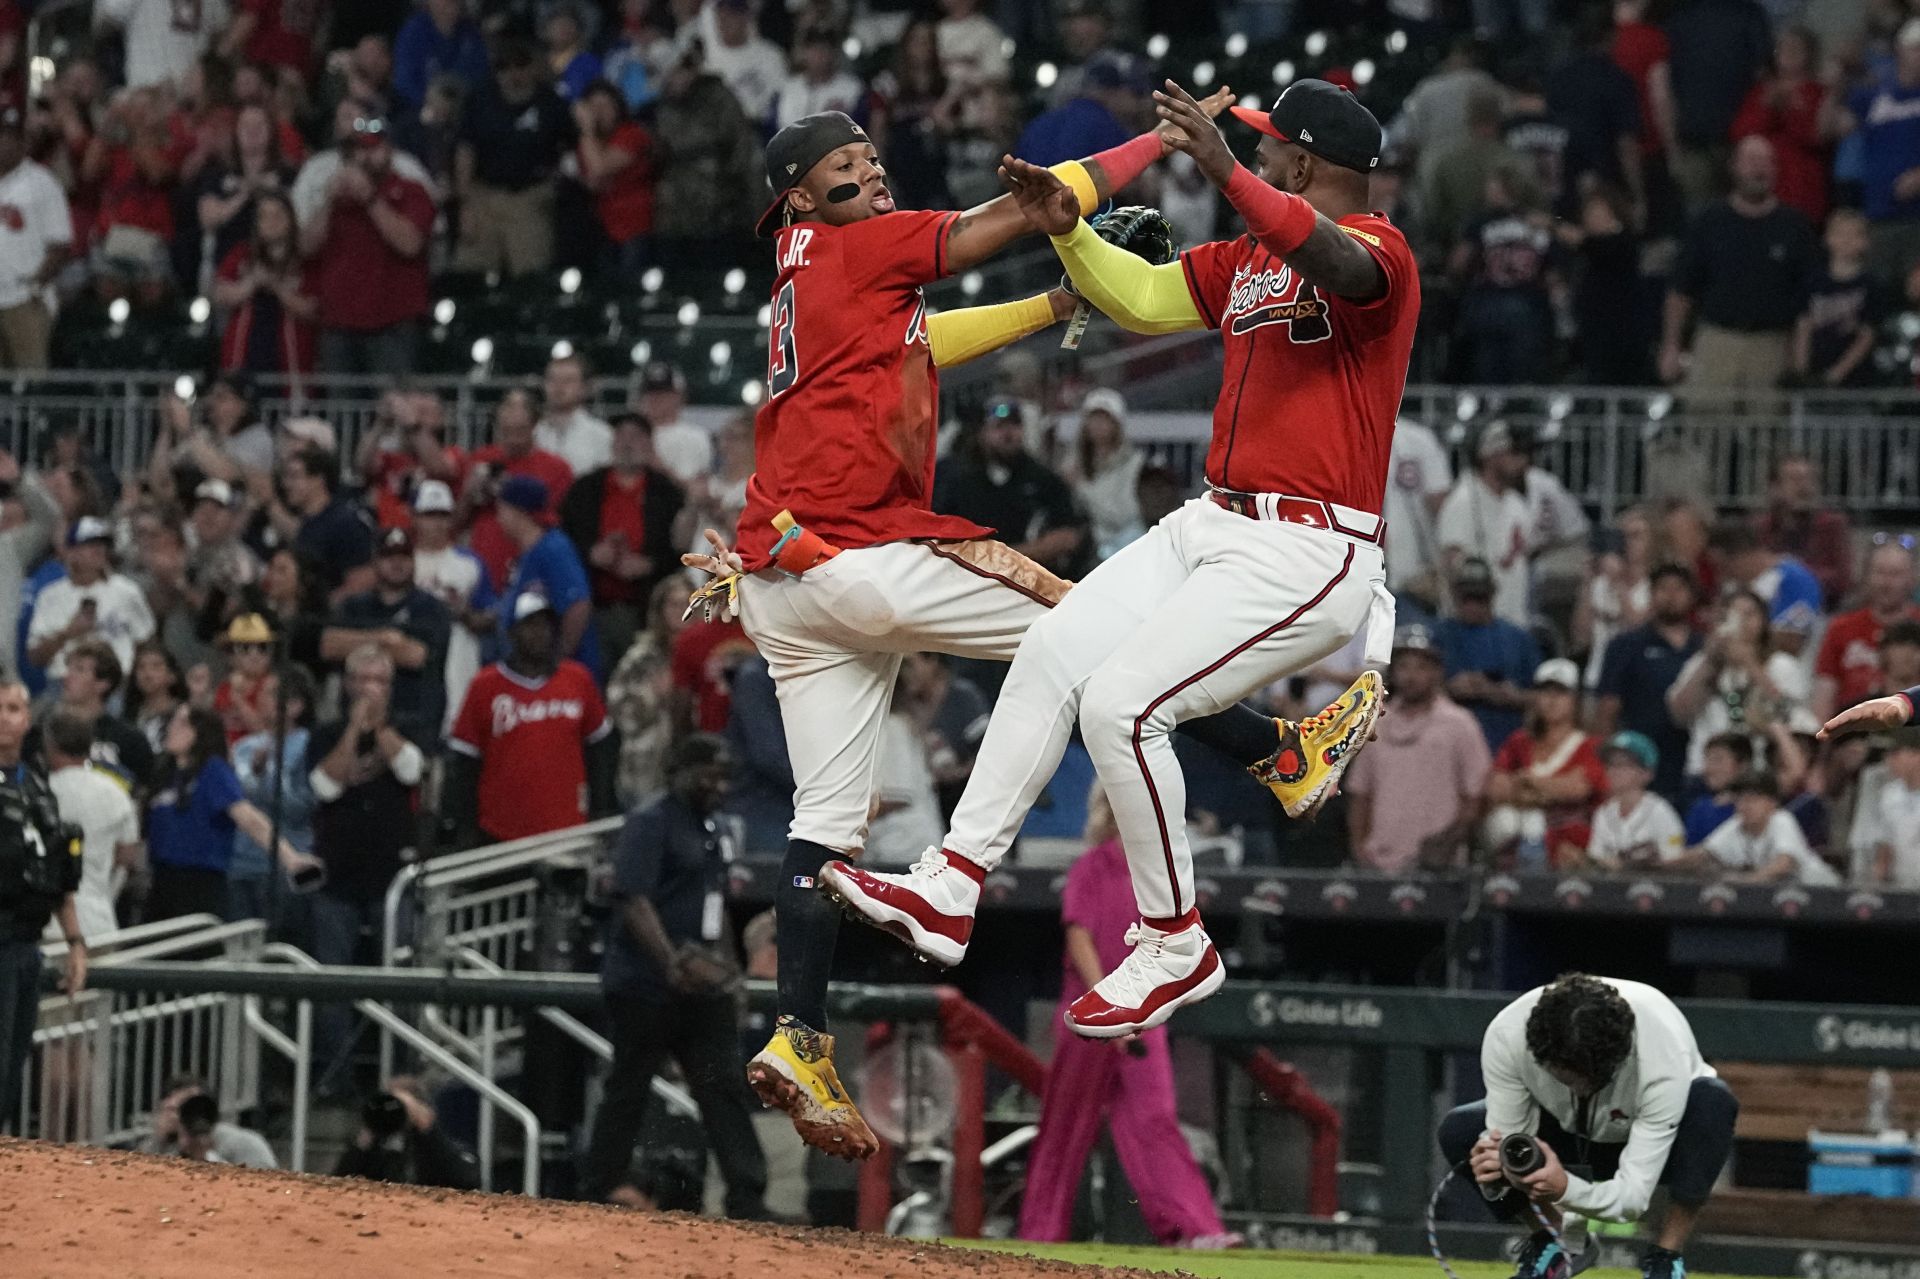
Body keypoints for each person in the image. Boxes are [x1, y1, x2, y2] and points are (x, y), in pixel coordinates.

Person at [681, 103, 1319, 1158]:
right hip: (858, 559)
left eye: (872, 157)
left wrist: (1059, 300)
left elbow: (931, 336)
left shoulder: (809, 275)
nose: (870, 173)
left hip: (778, 587)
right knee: (1093, 621)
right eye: (845, 165)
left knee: (825, 828)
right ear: (797, 195)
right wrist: (1150, 149)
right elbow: (1023, 211)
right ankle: (1275, 751)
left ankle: (797, 1032)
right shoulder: (858, 243)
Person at [826, 80, 1412, 1043]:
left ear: (1305, 165)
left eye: (1268, 146)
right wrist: (1069, 233)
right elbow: (1140, 298)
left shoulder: (1382, 251)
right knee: (1055, 646)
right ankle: (951, 880)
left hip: (1310, 546)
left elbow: (1337, 261)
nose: (1255, 150)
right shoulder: (1251, 254)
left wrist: (1222, 170)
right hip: (1215, 521)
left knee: (1122, 705)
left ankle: (1177, 940)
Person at [1017, 795, 1235, 1247]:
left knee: (1156, 1119)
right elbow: (1080, 937)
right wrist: (1110, 1004)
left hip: (1146, 1019)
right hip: (1089, 1016)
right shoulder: (1091, 868)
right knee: (1066, 1126)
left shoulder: (1163, 877)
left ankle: (1194, 1229)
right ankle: (1040, 1232)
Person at [1436, 974, 1738, 1279]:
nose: (1581, 1091)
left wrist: (1566, 1188)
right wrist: (1497, 1178)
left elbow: (1632, 1200)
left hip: (1657, 1144)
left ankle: (1666, 1258)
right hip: (1562, 1137)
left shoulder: (1662, 1055)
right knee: (1462, 1132)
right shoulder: (1507, 1035)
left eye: (1592, 1079)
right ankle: (1556, 1243)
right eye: (1566, 1077)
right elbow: (1513, 1146)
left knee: (1713, 1103)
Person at [582, 734, 770, 1215]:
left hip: (699, 989)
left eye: (724, 775)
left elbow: (715, 905)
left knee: (723, 1085)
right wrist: (669, 963)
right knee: (629, 1086)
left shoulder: (711, 829)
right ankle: (598, 1188)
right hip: (645, 985)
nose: (718, 784)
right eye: (708, 774)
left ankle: (747, 1195)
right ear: (679, 773)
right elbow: (633, 900)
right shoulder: (651, 822)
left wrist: (730, 974)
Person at [307, 644, 425, 1074]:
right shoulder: (326, 733)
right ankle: (333, 1076)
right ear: (348, 684)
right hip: (337, 875)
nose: (372, 691)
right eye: (364, 681)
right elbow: (325, 786)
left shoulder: (407, 726)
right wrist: (354, 729)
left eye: (381, 682)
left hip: (392, 878)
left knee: (400, 978)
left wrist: (381, 730)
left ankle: (400, 1073)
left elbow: (412, 771)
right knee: (333, 984)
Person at [446, 594, 613, 847]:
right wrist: (467, 830)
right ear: (512, 632)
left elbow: (599, 751)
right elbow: (465, 764)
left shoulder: (578, 679)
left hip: (569, 828)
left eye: (546, 625)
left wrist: (599, 812)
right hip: (502, 832)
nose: (541, 633)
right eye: (530, 625)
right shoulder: (485, 685)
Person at [1658, 137, 1818, 392]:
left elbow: (1806, 301)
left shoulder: (1794, 226)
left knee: (1768, 427)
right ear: (1733, 167)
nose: (1760, 169)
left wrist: (1798, 358)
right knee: (1707, 425)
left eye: (1767, 162)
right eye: (1752, 161)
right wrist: (1671, 345)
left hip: (1772, 344)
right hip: (1717, 340)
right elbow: (1680, 290)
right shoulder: (1708, 222)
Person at [0, 678, 84, 1132]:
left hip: (25, 944)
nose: (5, 718)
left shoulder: (35, 785)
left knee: (9, 1077)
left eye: (14, 708)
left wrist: (75, 942)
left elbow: (55, 873)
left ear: (28, 718)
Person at [145, 703, 318, 921]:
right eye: (172, 722)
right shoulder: (165, 774)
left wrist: (289, 857)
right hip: (161, 879)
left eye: (181, 723)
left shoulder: (213, 770)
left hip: (199, 881)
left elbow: (248, 817)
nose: (171, 728)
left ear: (200, 732)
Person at [1344, 624, 1492, 874]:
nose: (1411, 676)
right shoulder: (1375, 723)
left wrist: (1450, 840)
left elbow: (1478, 795)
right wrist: (1359, 847)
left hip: (1440, 866)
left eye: (1421, 667)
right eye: (1404, 666)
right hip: (1380, 864)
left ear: (1437, 672)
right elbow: (1360, 793)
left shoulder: (1460, 724)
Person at [302, 114, 435, 376]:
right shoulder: (336, 199)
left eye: (372, 148)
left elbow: (410, 244)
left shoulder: (411, 191)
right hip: (339, 322)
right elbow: (306, 247)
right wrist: (327, 203)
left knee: (394, 406)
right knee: (342, 412)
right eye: (358, 149)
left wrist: (371, 199)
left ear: (389, 150)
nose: (364, 156)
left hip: (392, 322)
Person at [559, 412, 684, 664]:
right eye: (621, 436)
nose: (627, 443)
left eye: (636, 437)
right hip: (593, 605)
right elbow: (564, 535)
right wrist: (591, 553)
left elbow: (682, 548)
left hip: (646, 609)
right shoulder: (585, 489)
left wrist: (649, 565)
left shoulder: (667, 493)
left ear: (649, 444)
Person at [453, 39, 572, 277]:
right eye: (504, 67)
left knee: (531, 280)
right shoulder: (480, 99)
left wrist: (556, 182)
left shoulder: (550, 103)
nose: (513, 73)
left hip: (530, 197)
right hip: (484, 197)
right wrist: (465, 205)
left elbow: (570, 146)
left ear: (531, 68)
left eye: (520, 65)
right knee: (471, 278)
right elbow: (465, 150)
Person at [934, 398, 1090, 579]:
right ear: (983, 433)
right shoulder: (959, 480)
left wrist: (1005, 558)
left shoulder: (1041, 478)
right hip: (974, 581)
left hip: (1033, 581)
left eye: (1014, 426)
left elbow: (1068, 537)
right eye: (999, 427)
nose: (1008, 434)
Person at [1667, 590, 1814, 782]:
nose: (1739, 622)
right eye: (1731, 614)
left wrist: (1750, 664)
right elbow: (1679, 714)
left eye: (1748, 614)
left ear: (1763, 622)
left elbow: (1786, 713)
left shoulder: (1781, 665)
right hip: (1704, 771)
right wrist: (1710, 663)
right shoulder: (1699, 663)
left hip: (1756, 773)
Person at [321, 527, 452, 737]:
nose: (397, 563)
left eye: (404, 556)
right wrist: (383, 639)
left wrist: (356, 644)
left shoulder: (431, 608)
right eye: (389, 556)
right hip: (355, 725)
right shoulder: (354, 606)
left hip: (415, 724)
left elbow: (416, 656)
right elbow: (329, 646)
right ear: (375, 561)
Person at [1483, 659, 1607, 869]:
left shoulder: (1591, 745)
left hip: (1567, 851)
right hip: (1514, 848)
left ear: (1575, 699)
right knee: (1503, 821)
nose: (1551, 700)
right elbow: (1496, 788)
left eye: (1561, 693)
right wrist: (1547, 790)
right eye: (1545, 692)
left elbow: (1576, 789)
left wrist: (1525, 781)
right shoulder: (1519, 741)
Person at [1594, 564, 1702, 804]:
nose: (1671, 595)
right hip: (1643, 759)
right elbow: (1607, 710)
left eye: (1679, 588)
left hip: (1694, 760)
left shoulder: (1704, 648)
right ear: (1651, 595)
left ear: (1692, 596)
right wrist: (1608, 769)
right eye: (1663, 588)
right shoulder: (1625, 645)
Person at [40, 709, 141, 944]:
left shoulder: (41, 792)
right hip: (99, 922)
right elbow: (127, 855)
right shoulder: (116, 792)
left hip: (48, 923)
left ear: (50, 744)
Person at [461, 390, 574, 593]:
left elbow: (556, 524)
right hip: (486, 565)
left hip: (532, 568)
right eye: (506, 430)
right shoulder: (482, 459)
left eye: (520, 430)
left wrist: (511, 491)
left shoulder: (556, 468)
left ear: (534, 425)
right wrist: (469, 493)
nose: (513, 438)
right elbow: (457, 521)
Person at [228, 666, 314, 924]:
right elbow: (236, 799)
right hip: (240, 863)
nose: (261, 699)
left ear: (295, 705)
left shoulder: (308, 746)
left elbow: (300, 808)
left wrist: (265, 775)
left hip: (284, 865)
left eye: (270, 693)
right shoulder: (243, 748)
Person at [493, 475, 601, 681]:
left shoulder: (553, 549)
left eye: (502, 509)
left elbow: (578, 605)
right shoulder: (530, 552)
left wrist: (557, 660)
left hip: (561, 680)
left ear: (519, 512)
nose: (499, 518)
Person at [408, 481, 494, 733]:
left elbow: (488, 616)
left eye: (442, 515)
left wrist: (466, 614)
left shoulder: (469, 563)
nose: (436, 523)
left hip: (459, 653)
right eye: (428, 515)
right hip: (415, 649)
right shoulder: (402, 560)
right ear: (414, 517)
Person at [27, 517, 157, 681]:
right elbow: (35, 657)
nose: (99, 550)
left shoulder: (126, 591)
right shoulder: (50, 596)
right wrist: (67, 633)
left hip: (117, 683)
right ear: (71, 551)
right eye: (89, 544)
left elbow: (147, 643)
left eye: (102, 544)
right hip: (65, 682)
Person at [1438, 421, 1535, 628]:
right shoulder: (1462, 502)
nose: (1523, 461)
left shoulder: (1517, 503)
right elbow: (1451, 564)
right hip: (1472, 627)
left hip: (1514, 621)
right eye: (1515, 454)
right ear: (1491, 455)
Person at [1438, 558, 1541, 752]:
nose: (1472, 606)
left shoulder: (1518, 638)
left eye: (1479, 599)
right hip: (1447, 744)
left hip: (1504, 740)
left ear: (1492, 594)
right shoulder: (1438, 636)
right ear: (1455, 594)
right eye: (1466, 598)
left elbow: (1543, 696)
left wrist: (1509, 695)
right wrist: (1448, 689)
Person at [0, 105, 74, 371]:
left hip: (25, 299)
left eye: (7, 136)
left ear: (21, 141)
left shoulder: (42, 183)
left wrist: (35, 286)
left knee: (32, 380)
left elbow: (60, 244)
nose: (1, 142)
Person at [30, 638, 154, 791]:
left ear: (103, 683)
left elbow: (141, 791)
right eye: (69, 668)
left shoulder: (130, 740)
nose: (67, 676)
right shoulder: (43, 730)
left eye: (79, 669)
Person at [1814, 542, 1920, 720]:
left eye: (1895, 574)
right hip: (1852, 731)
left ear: (1912, 578)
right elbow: (1824, 694)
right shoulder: (1840, 629)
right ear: (1867, 576)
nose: (1886, 583)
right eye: (1880, 573)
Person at [1793, 210, 1886, 392]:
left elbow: (1867, 335)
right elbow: (1803, 326)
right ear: (1826, 238)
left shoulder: (1872, 285)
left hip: (1856, 380)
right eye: (1840, 233)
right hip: (1814, 373)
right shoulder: (1813, 282)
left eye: (1854, 235)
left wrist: (1835, 374)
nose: (1846, 240)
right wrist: (1800, 371)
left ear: (1866, 242)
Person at [335, 1077, 482, 1190]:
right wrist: (366, 1138)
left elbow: (467, 1181)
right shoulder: (375, 1151)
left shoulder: (448, 1148)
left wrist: (428, 1130)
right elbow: (338, 1184)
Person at [1695, 770, 1840, 884]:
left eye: (1753, 800)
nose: (1745, 806)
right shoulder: (1737, 824)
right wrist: (1671, 863)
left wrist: (1746, 881)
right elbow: (1702, 854)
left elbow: (1784, 863)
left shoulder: (1781, 820)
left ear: (1772, 803)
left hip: (1822, 892)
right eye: (1741, 799)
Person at [272, 446, 376, 604]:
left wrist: (323, 611)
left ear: (318, 479)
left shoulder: (345, 523)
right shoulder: (307, 523)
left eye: (294, 476)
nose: (287, 485)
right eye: (286, 477)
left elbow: (364, 578)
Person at [1707, 520, 1822, 659]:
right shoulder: (1732, 587)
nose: (1722, 574)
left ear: (1743, 556)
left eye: (1723, 566)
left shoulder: (1795, 580)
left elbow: (1792, 641)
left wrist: (1738, 634)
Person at [1587, 731, 1686, 873]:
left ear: (1646, 773)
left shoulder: (1660, 811)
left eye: (1622, 764)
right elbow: (1596, 859)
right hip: (1609, 891)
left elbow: (1674, 860)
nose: (1614, 771)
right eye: (1610, 764)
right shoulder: (1603, 813)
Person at [138, 1075, 277, 1167]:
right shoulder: (162, 1144)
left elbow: (267, 1188)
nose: (191, 1115)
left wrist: (205, 1156)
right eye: (177, 1109)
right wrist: (160, 1141)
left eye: (196, 1106)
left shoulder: (243, 1143)